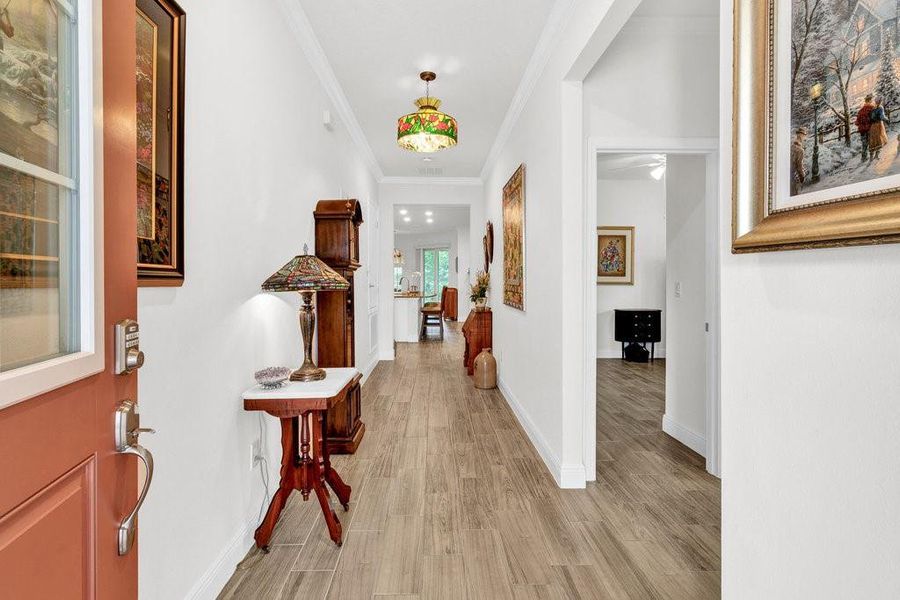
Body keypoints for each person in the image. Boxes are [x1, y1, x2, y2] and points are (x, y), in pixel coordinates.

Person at [856, 94, 875, 162]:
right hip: (869, 128)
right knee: (871, 142)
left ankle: (863, 158)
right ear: (870, 101)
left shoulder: (861, 110)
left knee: (864, 144)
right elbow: (873, 119)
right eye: (871, 100)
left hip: (862, 130)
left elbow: (857, 122)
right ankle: (871, 157)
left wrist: (861, 124)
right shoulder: (872, 108)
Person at [868, 96, 889, 161]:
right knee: (879, 140)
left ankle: (871, 157)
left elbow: (870, 118)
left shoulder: (873, 108)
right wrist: (887, 120)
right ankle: (876, 156)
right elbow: (882, 117)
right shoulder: (880, 108)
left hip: (872, 126)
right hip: (878, 125)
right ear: (880, 101)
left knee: (873, 141)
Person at [791, 127, 807, 196]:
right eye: (804, 135)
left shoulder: (791, 146)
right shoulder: (800, 150)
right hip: (795, 176)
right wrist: (802, 176)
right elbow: (799, 165)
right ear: (801, 135)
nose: (804, 137)